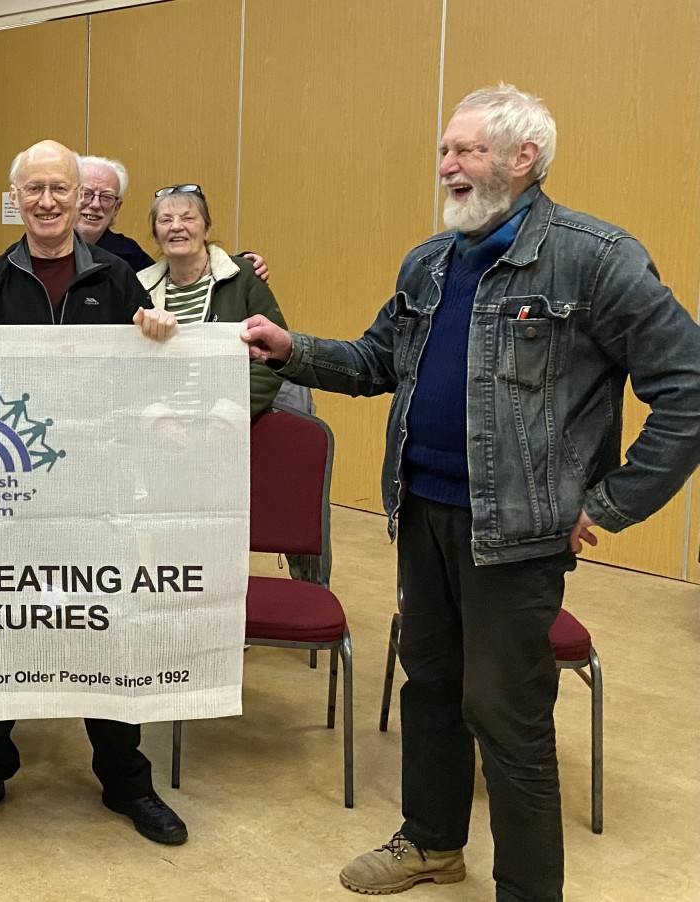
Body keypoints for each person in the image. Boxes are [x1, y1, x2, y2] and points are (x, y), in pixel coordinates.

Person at [240, 84, 700, 901]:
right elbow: (377, 362)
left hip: (518, 533)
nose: (447, 165)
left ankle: (527, 890)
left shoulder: (595, 258)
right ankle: (431, 842)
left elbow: (688, 386)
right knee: (431, 689)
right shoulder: (430, 261)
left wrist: (613, 502)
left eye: (466, 150)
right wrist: (290, 348)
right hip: (421, 513)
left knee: (506, 716)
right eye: (445, 151)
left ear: (524, 158)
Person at [0, 140, 185, 846]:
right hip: (6, 495)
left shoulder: (118, 280)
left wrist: (159, 333)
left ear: (77, 195)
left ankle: (126, 779)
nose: (47, 201)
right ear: (16, 198)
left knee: (105, 628)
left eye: (59, 188)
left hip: (95, 493)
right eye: (33, 189)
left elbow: (158, 376)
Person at [139, 184, 287, 415]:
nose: (176, 226)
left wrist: (231, 412)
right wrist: (154, 417)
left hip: (229, 422)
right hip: (161, 425)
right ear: (157, 236)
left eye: (188, 218)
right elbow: (131, 367)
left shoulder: (244, 276)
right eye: (165, 220)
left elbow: (273, 355)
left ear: (207, 229)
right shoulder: (140, 288)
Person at [76, 155, 269, 280]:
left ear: (116, 208)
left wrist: (241, 265)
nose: (95, 204)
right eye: (86, 194)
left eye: (107, 197)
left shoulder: (127, 255)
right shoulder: (55, 246)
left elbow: (177, 273)